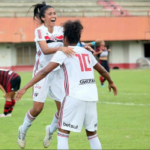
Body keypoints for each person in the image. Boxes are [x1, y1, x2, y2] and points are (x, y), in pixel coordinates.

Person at [16, 20, 117, 149]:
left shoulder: (63, 52)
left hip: (74, 96)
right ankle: (33, 130)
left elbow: (45, 71)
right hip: (92, 97)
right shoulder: (86, 53)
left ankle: (50, 131)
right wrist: (111, 82)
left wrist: (25, 87)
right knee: (92, 134)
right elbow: (102, 70)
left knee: (63, 134)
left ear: (65, 38)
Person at [17, 2, 75, 149]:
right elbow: (45, 50)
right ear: (43, 18)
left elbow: (72, 44)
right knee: (37, 108)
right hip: (41, 72)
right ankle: (22, 130)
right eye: (50, 14)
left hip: (57, 72)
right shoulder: (40, 31)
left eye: (54, 13)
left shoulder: (62, 30)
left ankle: (50, 131)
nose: (53, 16)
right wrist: (62, 47)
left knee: (63, 109)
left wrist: (84, 45)